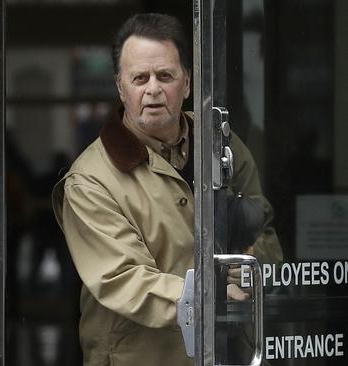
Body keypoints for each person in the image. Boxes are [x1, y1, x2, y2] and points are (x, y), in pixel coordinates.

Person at [51, 13, 282, 366]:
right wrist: (210, 293)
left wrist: (249, 264)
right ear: (120, 87)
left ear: (187, 84)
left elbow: (266, 235)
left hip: (229, 352)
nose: (153, 89)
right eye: (140, 78)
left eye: (166, 76)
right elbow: (122, 278)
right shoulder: (90, 179)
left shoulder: (223, 144)